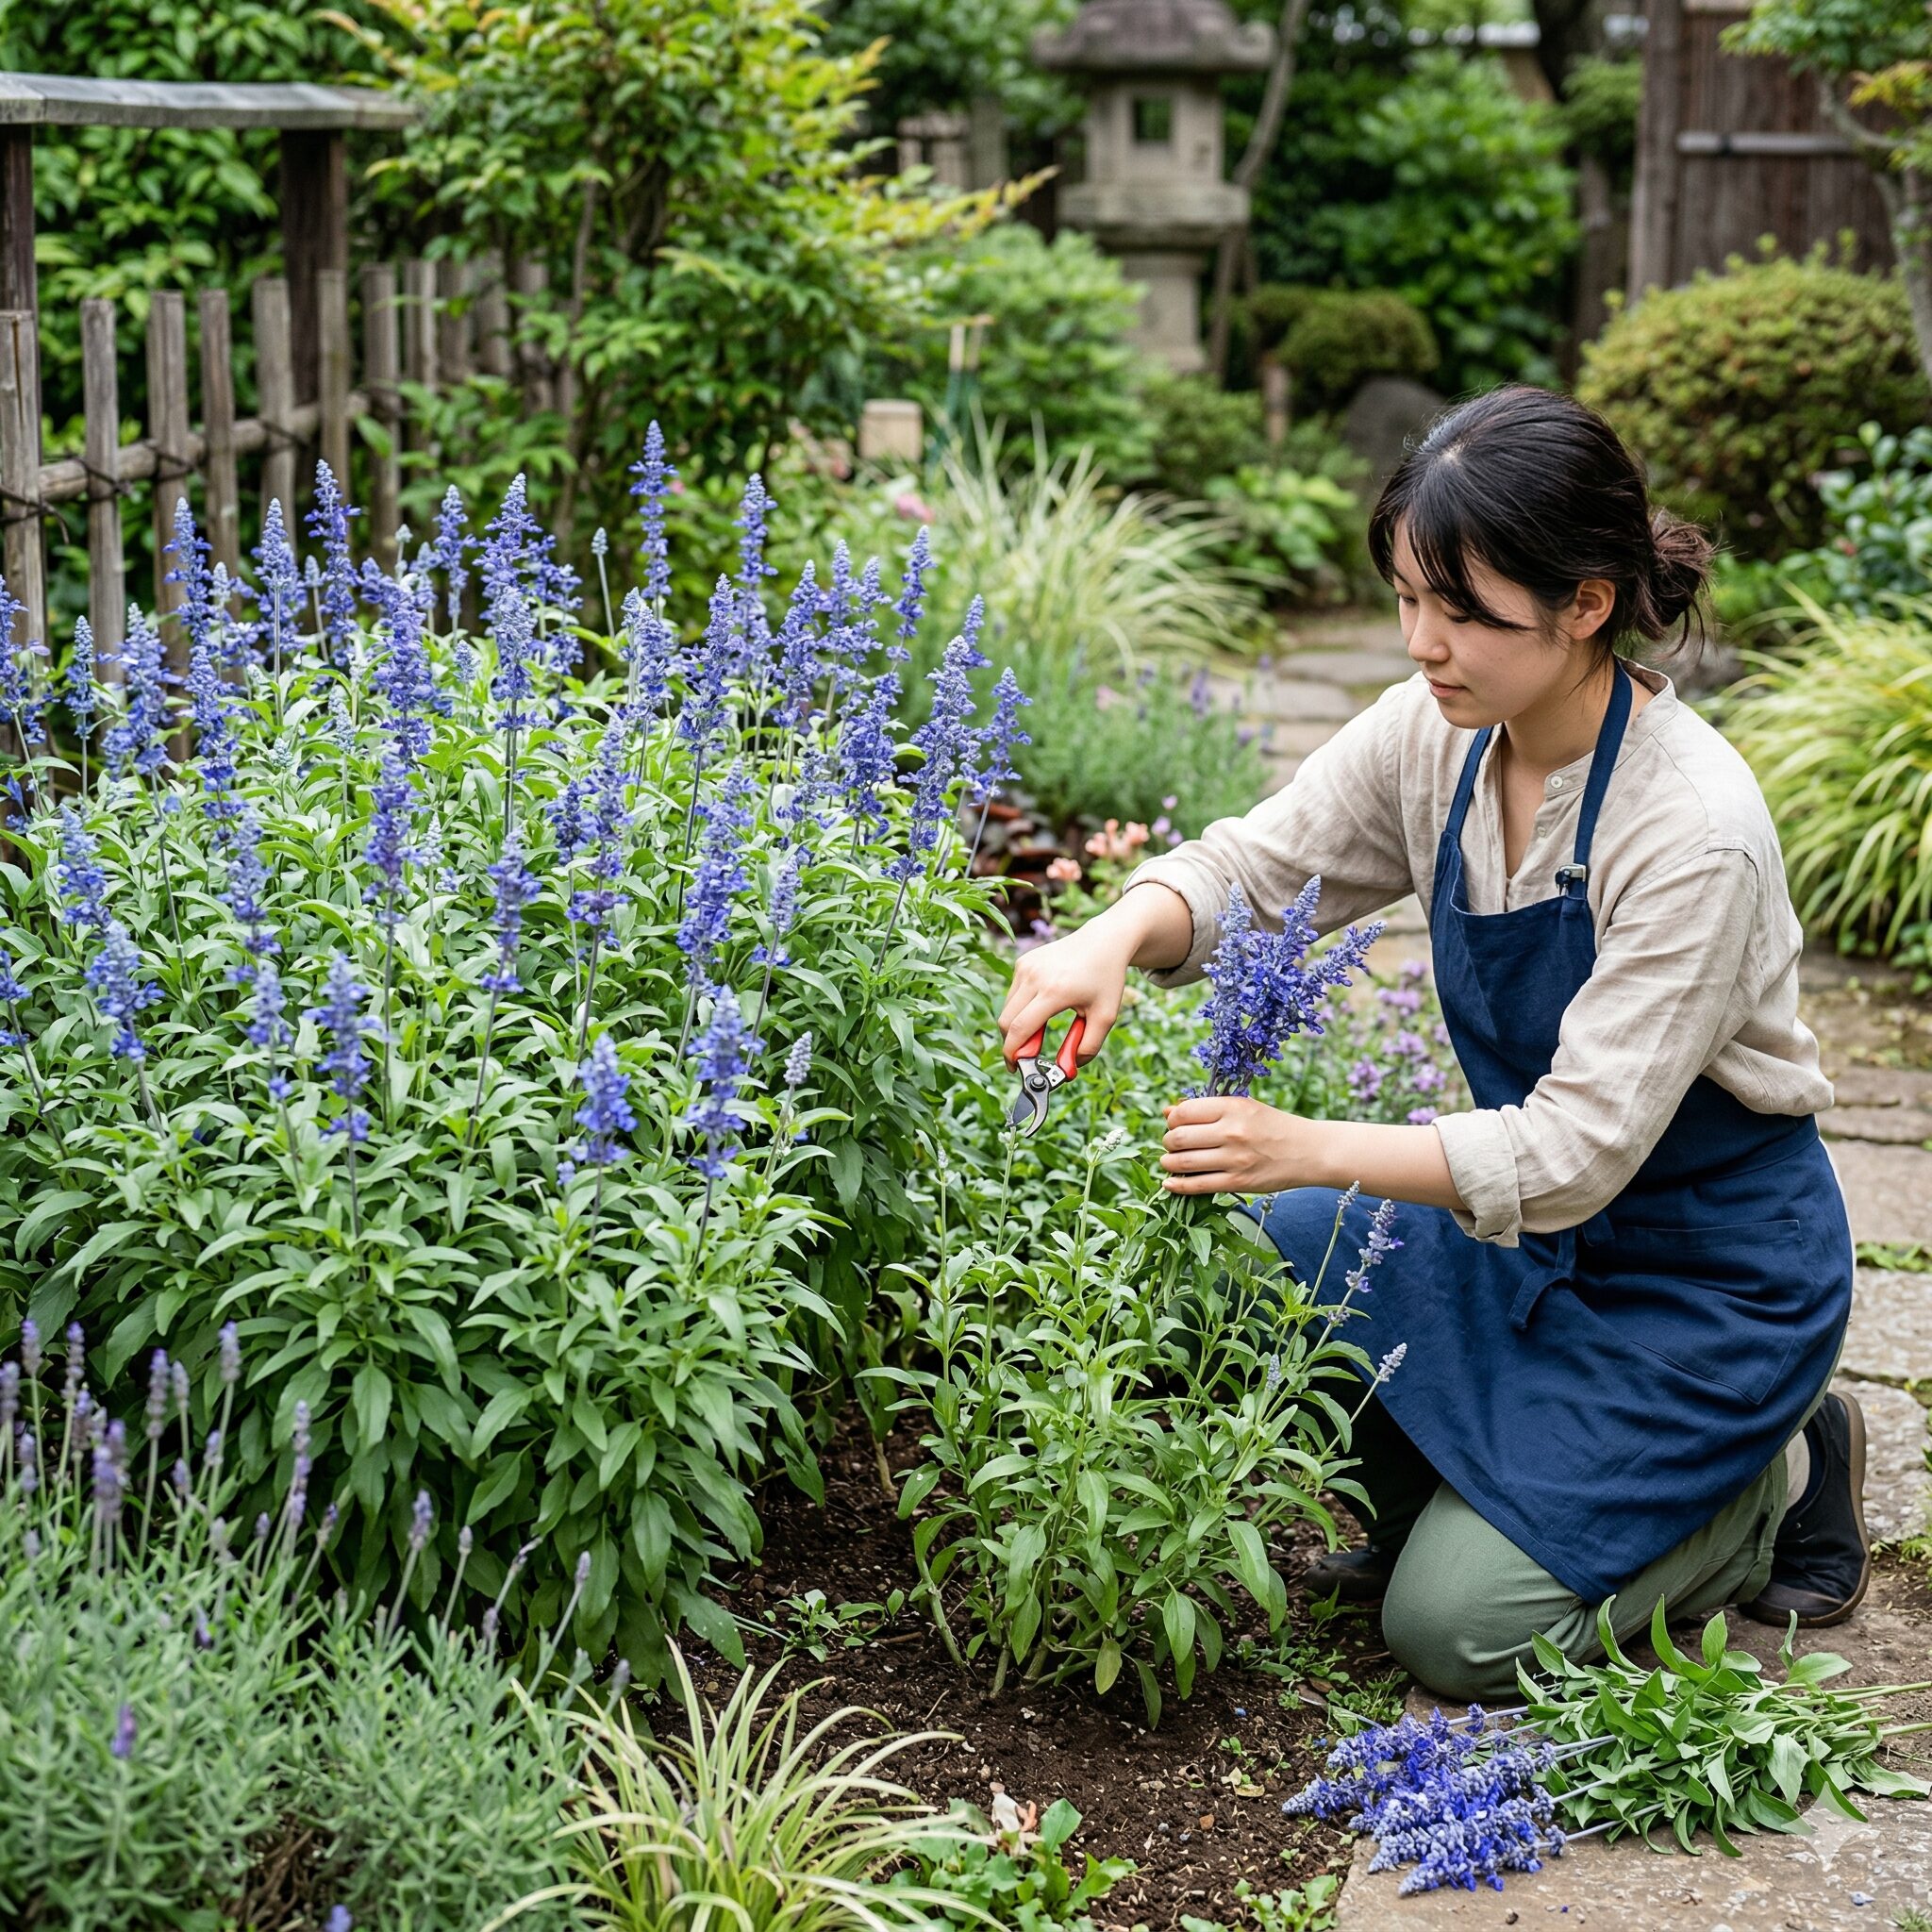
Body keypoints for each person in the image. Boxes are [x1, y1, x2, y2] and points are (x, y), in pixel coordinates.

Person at [998, 386, 1864, 1702]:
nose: (1422, 644)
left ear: (1586, 604)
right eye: (1409, 598)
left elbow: (1572, 1150)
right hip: (1539, 1243)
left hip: (1703, 1293)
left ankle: (1768, 1480)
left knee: (1452, 1635)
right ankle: (1463, 1506)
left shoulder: (1692, 829)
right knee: (1259, 1252)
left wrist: (1305, 1145)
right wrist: (1112, 936)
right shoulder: (1440, 736)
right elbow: (1264, 864)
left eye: (1464, 613)